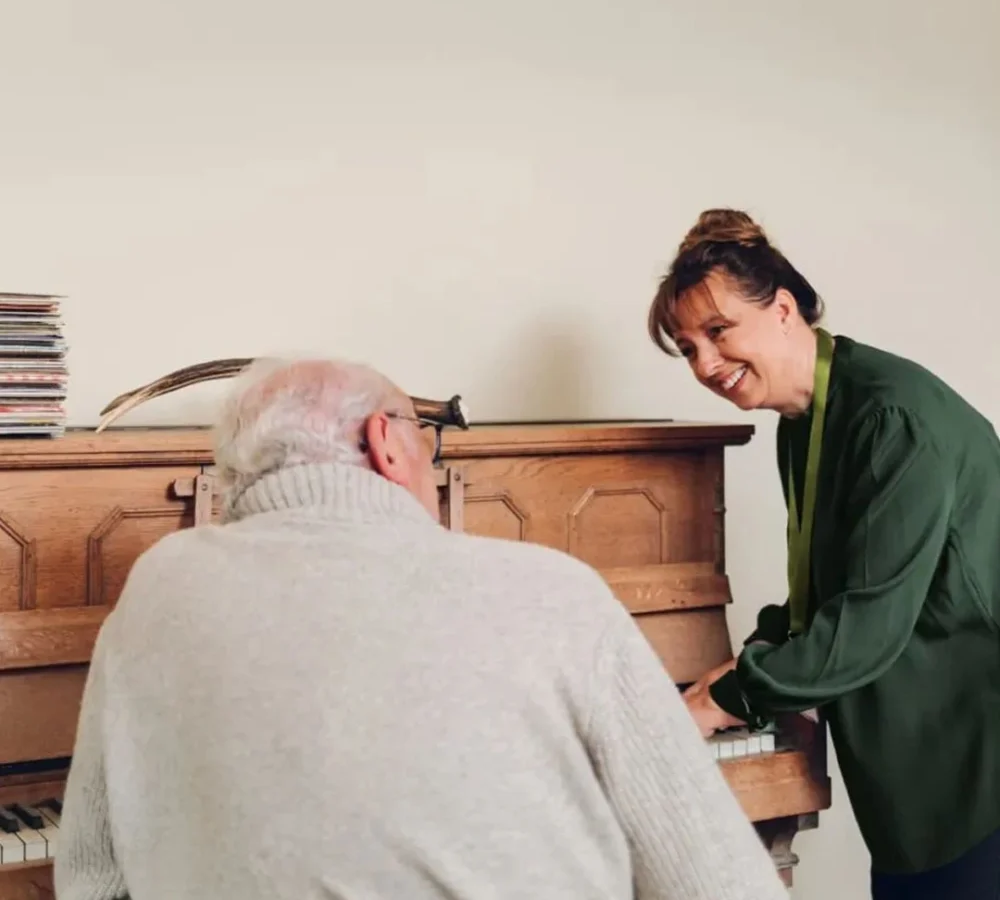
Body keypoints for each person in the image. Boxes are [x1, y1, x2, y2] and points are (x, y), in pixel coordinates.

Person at [55, 355, 788, 900]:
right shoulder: (553, 590)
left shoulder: (156, 586)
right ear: (389, 443)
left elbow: (91, 878)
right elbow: (719, 880)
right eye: (428, 439)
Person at [647, 207, 1000, 899]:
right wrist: (753, 663)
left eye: (717, 332)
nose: (706, 364)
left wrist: (719, 698)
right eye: (687, 348)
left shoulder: (890, 416)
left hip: (974, 764)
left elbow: (864, 627)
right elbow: (824, 590)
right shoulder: (806, 419)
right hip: (910, 776)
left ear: (782, 309)